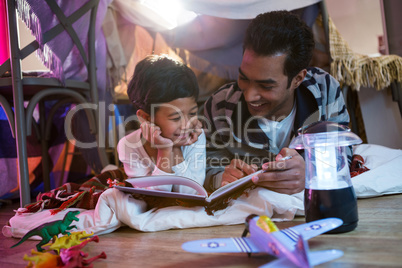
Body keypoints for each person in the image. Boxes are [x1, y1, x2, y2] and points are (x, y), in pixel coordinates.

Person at [203, 10, 350, 195]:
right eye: (244, 78)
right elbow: (204, 164)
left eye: (265, 86)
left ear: (298, 79)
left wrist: (310, 172)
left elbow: (344, 154)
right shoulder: (220, 106)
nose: (249, 96)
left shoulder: (324, 90)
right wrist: (220, 177)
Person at [117, 54, 206, 194]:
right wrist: (165, 151)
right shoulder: (128, 145)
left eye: (192, 113)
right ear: (146, 118)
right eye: (176, 118)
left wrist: (175, 149)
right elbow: (152, 198)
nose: (186, 125)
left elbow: (190, 193)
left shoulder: (196, 137)